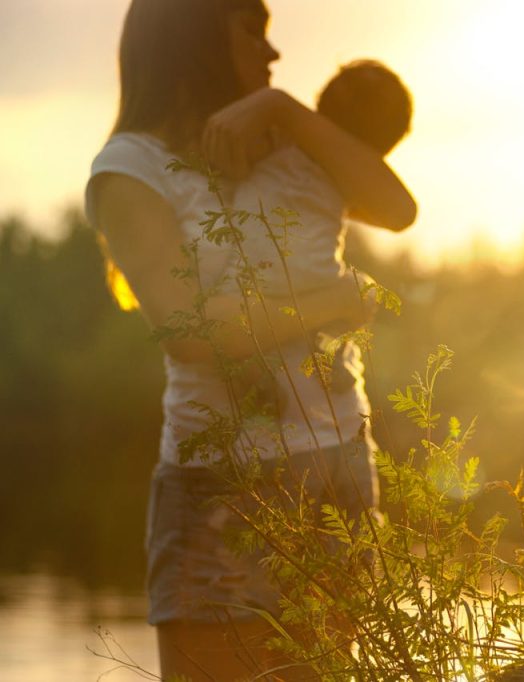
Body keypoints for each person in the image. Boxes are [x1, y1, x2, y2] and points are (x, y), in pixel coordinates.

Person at [84, 0, 416, 679]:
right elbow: (193, 335)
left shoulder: (279, 142)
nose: (273, 56)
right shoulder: (131, 166)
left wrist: (289, 111)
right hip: (221, 482)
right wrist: (343, 297)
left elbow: (397, 208)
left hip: (335, 457)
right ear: (195, 37)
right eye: (252, 32)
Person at [228, 59, 413, 444]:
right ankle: (328, 357)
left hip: (252, 275)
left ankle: (255, 376)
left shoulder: (276, 136)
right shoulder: (346, 176)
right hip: (315, 283)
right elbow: (399, 210)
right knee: (356, 293)